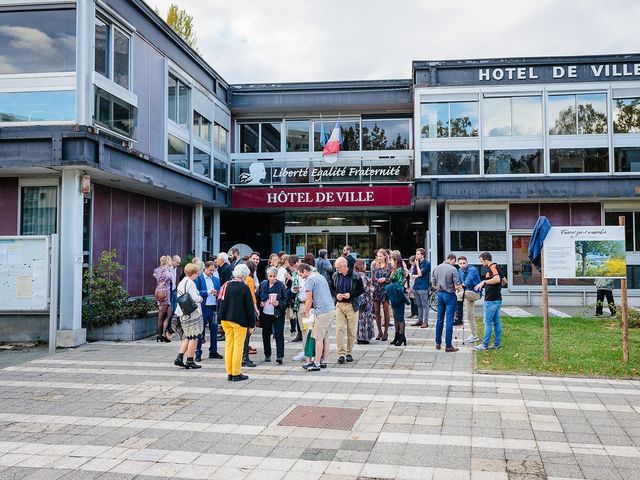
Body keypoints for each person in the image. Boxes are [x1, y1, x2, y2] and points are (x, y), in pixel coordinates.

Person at [218, 264, 256, 381]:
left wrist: (220, 319)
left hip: (225, 320)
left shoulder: (226, 285)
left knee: (229, 345)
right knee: (238, 347)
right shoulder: (244, 287)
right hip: (239, 321)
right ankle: (236, 373)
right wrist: (252, 324)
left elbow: (221, 302)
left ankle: (229, 372)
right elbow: (249, 308)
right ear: (244, 275)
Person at [298, 263, 335, 371]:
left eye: (300, 274)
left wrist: (306, 312)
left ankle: (317, 363)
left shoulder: (310, 279)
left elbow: (308, 299)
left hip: (322, 311)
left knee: (318, 337)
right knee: (325, 336)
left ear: (304, 271)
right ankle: (323, 361)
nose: (301, 277)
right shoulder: (320, 276)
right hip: (330, 309)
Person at [331, 257, 365, 364]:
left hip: (352, 305)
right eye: (335, 267)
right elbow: (331, 288)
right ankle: (341, 354)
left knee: (351, 331)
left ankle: (349, 352)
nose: (336, 269)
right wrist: (337, 295)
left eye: (338, 267)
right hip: (340, 305)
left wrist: (350, 295)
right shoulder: (335, 275)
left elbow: (361, 290)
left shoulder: (355, 275)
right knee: (339, 329)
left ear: (344, 266)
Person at [173, 263, 204, 369]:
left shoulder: (181, 282)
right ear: (194, 273)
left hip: (182, 312)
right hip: (191, 313)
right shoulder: (191, 283)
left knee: (187, 336)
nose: (197, 275)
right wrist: (201, 298)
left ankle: (179, 357)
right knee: (194, 337)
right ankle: (190, 360)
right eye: (197, 273)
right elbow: (194, 298)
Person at [431, 253, 462, 352]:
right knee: (449, 320)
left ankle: (438, 343)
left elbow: (433, 284)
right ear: (452, 259)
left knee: (439, 319)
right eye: (454, 261)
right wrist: (460, 288)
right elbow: (457, 285)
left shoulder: (437, 268)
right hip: (450, 295)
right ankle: (448, 345)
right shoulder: (453, 269)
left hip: (440, 294)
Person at [473, 251, 503, 351]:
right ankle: (497, 344)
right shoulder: (498, 267)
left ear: (486, 260)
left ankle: (484, 345)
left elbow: (498, 279)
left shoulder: (492, 267)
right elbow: (504, 281)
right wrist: (496, 289)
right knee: (496, 322)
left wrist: (484, 282)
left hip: (491, 300)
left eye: (482, 262)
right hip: (497, 298)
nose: (482, 264)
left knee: (488, 323)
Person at [194, 261, 223, 362]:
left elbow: (219, 292)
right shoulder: (199, 279)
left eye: (213, 270)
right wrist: (207, 292)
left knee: (214, 330)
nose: (211, 272)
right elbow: (196, 292)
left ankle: (213, 351)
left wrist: (217, 293)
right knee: (200, 331)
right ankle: (198, 353)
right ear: (205, 269)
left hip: (214, 308)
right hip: (203, 308)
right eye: (210, 270)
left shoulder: (216, 279)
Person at [258, 267, 288, 364]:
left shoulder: (280, 285)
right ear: (267, 276)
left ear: (276, 276)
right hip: (266, 313)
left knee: (279, 334)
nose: (272, 278)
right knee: (266, 334)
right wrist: (261, 302)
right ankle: (267, 354)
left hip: (278, 313)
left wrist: (278, 303)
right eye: (270, 276)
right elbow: (257, 296)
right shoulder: (263, 284)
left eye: (274, 276)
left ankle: (280, 356)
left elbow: (285, 299)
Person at [456, 256, 482, 343]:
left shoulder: (472, 270)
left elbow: (467, 281)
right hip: (467, 293)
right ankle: (474, 336)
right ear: (458, 264)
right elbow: (460, 282)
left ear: (467, 263)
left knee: (458, 295)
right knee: (469, 315)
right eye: (460, 263)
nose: (462, 265)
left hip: (476, 293)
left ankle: (458, 318)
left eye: (464, 263)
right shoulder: (459, 270)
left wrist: (460, 288)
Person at [388, 251, 408, 346]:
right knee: (395, 317)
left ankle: (402, 336)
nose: (390, 261)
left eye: (391, 259)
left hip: (398, 296)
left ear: (395, 260)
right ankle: (397, 336)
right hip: (394, 295)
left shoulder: (399, 270)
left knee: (400, 318)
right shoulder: (394, 268)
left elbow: (400, 284)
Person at [242, 260, 260, 368]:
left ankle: (241, 357)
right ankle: (245, 358)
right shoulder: (250, 280)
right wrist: (256, 309)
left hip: (240, 309)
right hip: (248, 309)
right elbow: (252, 296)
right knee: (247, 335)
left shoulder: (241, 279)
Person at [371, 248, 391, 341]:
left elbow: (392, 279)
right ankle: (379, 331)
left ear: (385, 256)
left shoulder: (389, 266)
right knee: (376, 311)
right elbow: (372, 278)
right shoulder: (374, 265)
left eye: (381, 256)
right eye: (378, 256)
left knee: (386, 311)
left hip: (385, 289)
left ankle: (386, 331)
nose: (379, 258)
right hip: (376, 289)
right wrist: (372, 288)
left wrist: (385, 280)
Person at [153, 255, 174, 343]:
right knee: (162, 315)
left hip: (159, 293)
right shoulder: (166, 270)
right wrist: (169, 270)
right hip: (164, 294)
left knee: (169, 313)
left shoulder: (157, 270)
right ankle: (160, 335)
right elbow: (168, 277)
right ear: (167, 261)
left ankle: (163, 334)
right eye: (170, 261)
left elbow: (155, 275)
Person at [354, 259, 374, 344]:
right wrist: (372, 289)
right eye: (365, 265)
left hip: (358, 300)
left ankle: (359, 336)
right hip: (365, 300)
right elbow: (365, 288)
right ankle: (365, 337)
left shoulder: (355, 275)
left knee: (359, 319)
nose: (366, 266)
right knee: (365, 318)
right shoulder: (363, 276)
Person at [410, 248, 431, 328]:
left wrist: (418, 267)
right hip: (416, 286)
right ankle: (420, 320)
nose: (416, 255)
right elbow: (412, 275)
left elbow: (420, 273)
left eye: (418, 254)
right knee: (419, 304)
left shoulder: (427, 263)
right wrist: (417, 274)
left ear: (422, 255)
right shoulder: (416, 263)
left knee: (425, 305)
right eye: (416, 253)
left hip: (423, 287)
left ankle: (425, 322)